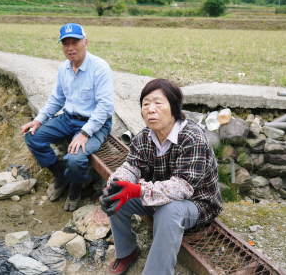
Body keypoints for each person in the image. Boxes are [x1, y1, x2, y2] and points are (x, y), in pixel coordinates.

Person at [100, 78, 222, 275]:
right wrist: (118, 183)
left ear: (174, 107)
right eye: (145, 104)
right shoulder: (144, 137)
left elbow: (182, 188)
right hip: (157, 195)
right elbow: (131, 166)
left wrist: (139, 190)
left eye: (158, 103)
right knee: (114, 196)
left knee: (170, 211)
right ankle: (127, 251)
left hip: (197, 202)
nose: (150, 109)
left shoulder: (192, 137)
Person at [21, 23, 114, 211]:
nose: (70, 48)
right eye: (66, 43)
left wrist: (85, 133)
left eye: (75, 42)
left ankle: (76, 188)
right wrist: (39, 119)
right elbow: (57, 98)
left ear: (85, 42)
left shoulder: (100, 68)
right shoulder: (64, 68)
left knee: (74, 159)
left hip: (95, 123)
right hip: (68, 118)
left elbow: (105, 106)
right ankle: (61, 176)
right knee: (32, 136)